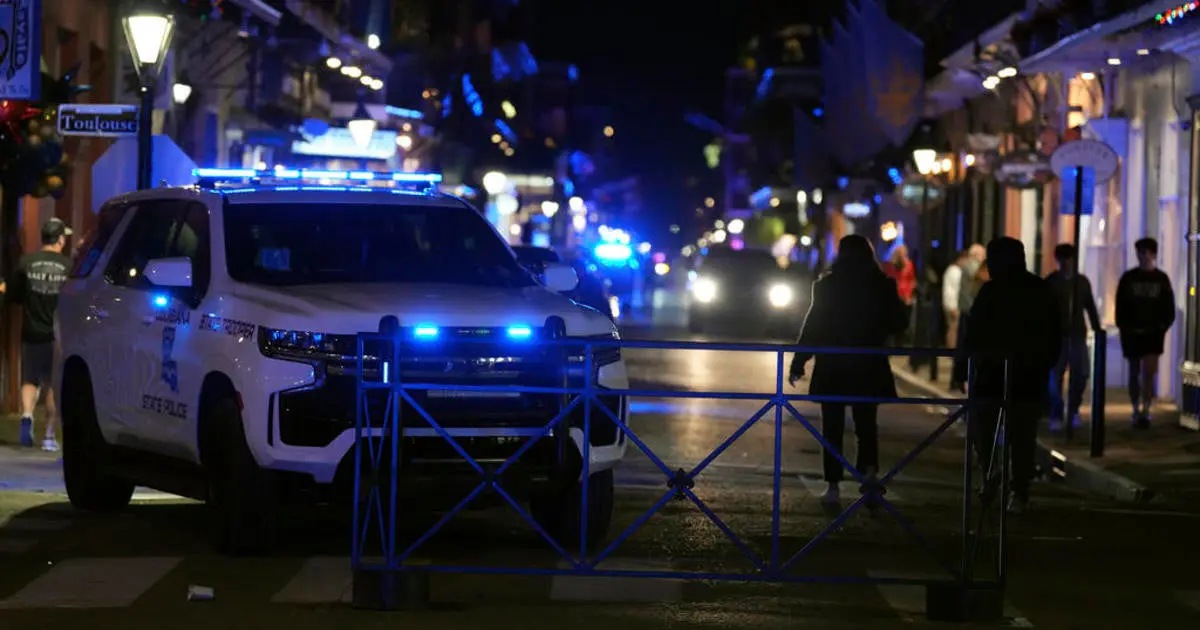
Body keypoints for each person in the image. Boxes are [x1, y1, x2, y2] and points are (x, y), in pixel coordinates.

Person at [789, 234, 909, 506]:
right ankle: (868, 475)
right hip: (868, 362)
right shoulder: (882, 285)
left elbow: (814, 326)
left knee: (832, 426)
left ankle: (832, 484)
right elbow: (898, 322)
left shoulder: (828, 286)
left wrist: (799, 362)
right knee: (866, 424)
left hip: (834, 362)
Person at [964, 237, 1062, 514]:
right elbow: (1055, 331)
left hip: (993, 373)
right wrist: (1045, 363)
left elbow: (974, 332)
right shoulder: (1040, 290)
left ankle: (991, 471)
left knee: (984, 427)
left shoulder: (991, 292)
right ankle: (1018, 490)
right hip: (1028, 374)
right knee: (1022, 435)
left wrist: (966, 364)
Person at [0, 218, 74, 451]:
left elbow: (13, 294)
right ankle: (49, 435)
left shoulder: (26, 263)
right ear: (60, 239)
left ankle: (27, 415)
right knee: (53, 383)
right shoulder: (68, 266)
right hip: (57, 334)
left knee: (30, 379)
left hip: (31, 330)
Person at [1115, 237, 1176, 428]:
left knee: (1148, 372)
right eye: (1140, 252)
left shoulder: (1161, 279)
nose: (1142, 256)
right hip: (1133, 332)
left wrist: (1161, 326)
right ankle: (1136, 407)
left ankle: (1146, 408)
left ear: (1153, 254)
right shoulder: (1129, 278)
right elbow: (1120, 305)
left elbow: (1168, 306)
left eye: (1146, 252)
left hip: (1152, 333)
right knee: (1134, 372)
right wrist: (1123, 326)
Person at [1044, 244, 1102, 430]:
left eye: (1069, 259)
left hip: (1077, 334)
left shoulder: (1082, 282)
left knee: (1081, 374)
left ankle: (1073, 409)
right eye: (1063, 259)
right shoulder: (1051, 282)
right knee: (1055, 377)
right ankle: (1057, 412)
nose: (1066, 263)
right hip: (1056, 335)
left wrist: (1096, 327)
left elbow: (1090, 306)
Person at [950, 253, 987, 391]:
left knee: (966, 351)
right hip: (973, 318)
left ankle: (960, 380)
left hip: (971, 317)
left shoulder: (975, 276)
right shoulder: (974, 274)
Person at [942, 250, 969, 349]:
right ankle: (952, 350)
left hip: (952, 304)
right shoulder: (955, 271)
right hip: (953, 305)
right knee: (953, 329)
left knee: (953, 329)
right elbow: (955, 290)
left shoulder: (952, 270)